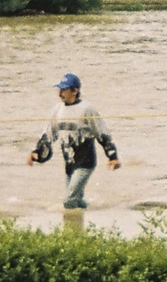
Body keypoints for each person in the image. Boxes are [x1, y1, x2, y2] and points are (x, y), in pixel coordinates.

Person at [26, 72, 119, 209]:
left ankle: (68, 228)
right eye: (60, 89)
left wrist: (112, 156)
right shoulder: (57, 110)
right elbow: (48, 135)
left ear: (75, 91)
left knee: (69, 201)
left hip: (85, 162)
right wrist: (37, 153)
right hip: (69, 163)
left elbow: (102, 132)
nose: (60, 93)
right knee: (78, 202)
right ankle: (85, 222)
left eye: (64, 89)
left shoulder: (87, 109)